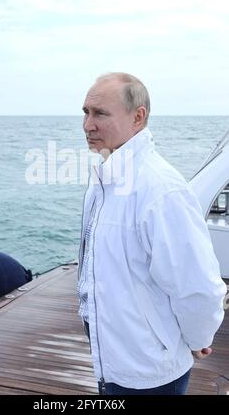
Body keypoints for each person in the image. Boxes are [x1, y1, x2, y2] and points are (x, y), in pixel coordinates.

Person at [77, 72, 227, 395]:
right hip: (111, 364)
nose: (88, 125)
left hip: (149, 376)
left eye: (100, 113)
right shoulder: (102, 181)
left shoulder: (161, 189)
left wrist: (198, 339)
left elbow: (199, 288)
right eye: (86, 112)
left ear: (138, 117)